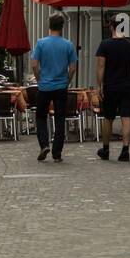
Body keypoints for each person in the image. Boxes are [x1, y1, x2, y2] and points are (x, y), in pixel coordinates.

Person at [31, 14, 78, 163]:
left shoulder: (41, 43)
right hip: (60, 87)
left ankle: (44, 144)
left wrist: (39, 79)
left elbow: (34, 64)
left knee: (40, 116)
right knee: (59, 118)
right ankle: (57, 152)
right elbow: (72, 68)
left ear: (49, 25)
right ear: (62, 27)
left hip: (45, 86)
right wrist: (67, 81)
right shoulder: (68, 45)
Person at [95, 14, 130, 162]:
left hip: (111, 86)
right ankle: (125, 150)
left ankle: (106, 149)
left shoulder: (105, 45)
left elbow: (101, 65)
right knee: (127, 117)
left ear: (112, 27)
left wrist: (99, 85)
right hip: (127, 85)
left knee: (108, 117)